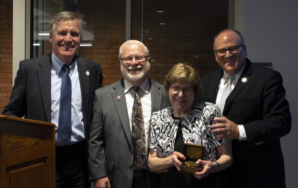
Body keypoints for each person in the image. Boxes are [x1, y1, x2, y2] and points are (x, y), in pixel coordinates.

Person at [2, 11, 103, 188]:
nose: (68, 39)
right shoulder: (30, 69)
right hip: (42, 157)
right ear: (51, 37)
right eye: (62, 33)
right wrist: (23, 149)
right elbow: (11, 113)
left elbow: (98, 117)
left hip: (81, 160)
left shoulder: (92, 70)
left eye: (74, 34)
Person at [199, 29, 292, 188]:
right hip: (216, 173)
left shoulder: (267, 78)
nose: (227, 54)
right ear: (215, 55)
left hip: (256, 174)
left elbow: (281, 122)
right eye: (221, 50)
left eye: (233, 48)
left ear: (244, 49)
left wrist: (239, 131)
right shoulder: (206, 81)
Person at [88, 40, 171, 188]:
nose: (134, 63)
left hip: (156, 179)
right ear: (120, 62)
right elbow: (96, 141)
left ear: (148, 60)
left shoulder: (165, 94)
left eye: (139, 57)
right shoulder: (103, 96)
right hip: (115, 179)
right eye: (128, 58)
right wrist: (98, 175)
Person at [148, 63, 232, 188]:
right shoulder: (158, 118)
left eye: (187, 89)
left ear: (195, 91)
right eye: (175, 87)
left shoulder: (210, 112)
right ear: (168, 89)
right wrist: (170, 160)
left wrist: (213, 166)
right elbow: (152, 164)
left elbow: (227, 157)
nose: (181, 94)